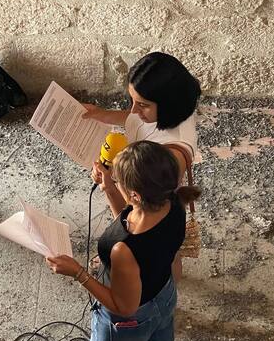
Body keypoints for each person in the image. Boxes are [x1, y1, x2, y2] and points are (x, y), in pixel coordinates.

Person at [45, 141, 201, 341]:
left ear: (136, 194)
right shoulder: (173, 202)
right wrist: (108, 188)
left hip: (129, 320)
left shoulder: (123, 251)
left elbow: (124, 305)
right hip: (163, 295)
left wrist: (78, 272)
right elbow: (131, 218)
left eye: (119, 181)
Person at [84, 52, 201, 217]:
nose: (133, 110)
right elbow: (136, 119)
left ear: (167, 104)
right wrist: (100, 114)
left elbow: (136, 222)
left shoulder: (167, 158)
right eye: (132, 100)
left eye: (142, 104)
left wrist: (110, 186)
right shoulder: (171, 112)